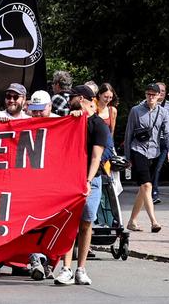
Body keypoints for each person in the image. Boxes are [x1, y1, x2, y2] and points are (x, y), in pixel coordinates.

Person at [55, 85, 108, 286]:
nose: (69, 101)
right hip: (70, 179)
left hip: (91, 180)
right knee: (70, 222)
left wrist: (87, 180)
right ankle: (66, 268)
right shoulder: (73, 120)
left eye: (72, 98)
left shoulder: (99, 125)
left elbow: (96, 157)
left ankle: (81, 269)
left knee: (86, 223)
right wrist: (73, 118)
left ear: (83, 98)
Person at [124, 83, 169, 233]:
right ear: (145, 95)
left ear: (159, 96)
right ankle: (154, 221)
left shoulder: (163, 112)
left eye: (154, 94)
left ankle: (132, 221)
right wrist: (127, 157)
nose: (151, 97)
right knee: (147, 186)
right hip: (138, 149)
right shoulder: (136, 111)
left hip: (155, 152)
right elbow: (128, 133)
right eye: (148, 94)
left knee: (144, 188)